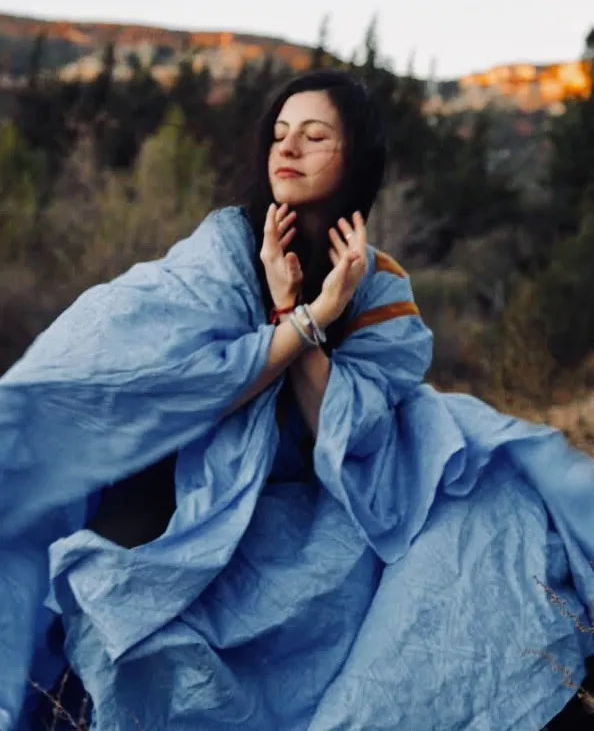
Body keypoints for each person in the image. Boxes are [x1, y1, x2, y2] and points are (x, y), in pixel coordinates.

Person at [0, 70, 593, 731]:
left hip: (310, 496)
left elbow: (339, 433)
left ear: (355, 158)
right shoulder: (225, 248)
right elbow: (183, 381)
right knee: (111, 591)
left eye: (314, 137)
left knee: (485, 521)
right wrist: (302, 318)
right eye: (280, 133)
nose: (287, 148)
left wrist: (305, 310)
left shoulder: (378, 284)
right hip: (183, 473)